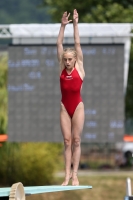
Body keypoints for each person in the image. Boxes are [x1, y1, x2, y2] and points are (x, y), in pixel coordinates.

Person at [57, 9, 85, 186]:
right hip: (64, 107)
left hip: (78, 107)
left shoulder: (79, 67)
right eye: (65, 59)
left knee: (76, 140)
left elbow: (77, 43)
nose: (67, 62)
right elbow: (58, 43)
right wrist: (62, 26)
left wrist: (75, 24)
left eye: (69, 59)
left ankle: (75, 174)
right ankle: (66, 175)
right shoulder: (61, 68)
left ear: (74, 60)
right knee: (67, 141)